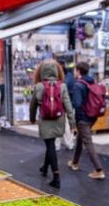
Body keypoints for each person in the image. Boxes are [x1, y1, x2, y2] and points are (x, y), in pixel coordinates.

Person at [29, 59, 75, 189]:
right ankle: (44, 168)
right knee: (51, 144)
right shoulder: (62, 86)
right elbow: (68, 106)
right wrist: (72, 124)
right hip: (59, 120)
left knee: (50, 145)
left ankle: (56, 176)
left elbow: (33, 106)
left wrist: (32, 118)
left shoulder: (39, 86)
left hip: (45, 120)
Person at [68, 61, 106, 180]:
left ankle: (98, 170)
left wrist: (74, 118)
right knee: (81, 138)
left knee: (87, 142)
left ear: (78, 71)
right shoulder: (91, 81)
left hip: (83, 117)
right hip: (92, 115)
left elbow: (77, 104)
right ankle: (74, 162)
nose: (74, 72)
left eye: (75, 70)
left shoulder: (79, 85)